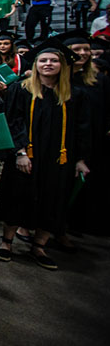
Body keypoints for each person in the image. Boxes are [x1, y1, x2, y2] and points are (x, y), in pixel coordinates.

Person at [0, 39, 90, 270]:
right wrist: (19, 152)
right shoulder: (21, 89)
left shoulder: (75, 95)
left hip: (59, 159)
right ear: (36, 64)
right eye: (43, 60)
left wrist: (80, 159)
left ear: (63, 65)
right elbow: (13, 121)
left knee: (52, 200)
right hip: (25, 156)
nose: (48, 64)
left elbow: (82, 129)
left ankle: (39, 246)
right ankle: (7, 242)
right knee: (17, 196)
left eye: (54, 60)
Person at [58, 31, 110, 237]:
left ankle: (84, 226)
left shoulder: (99, 81)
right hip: (63, 141)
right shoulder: (57, 80)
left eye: (86, 49)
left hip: (94, 142)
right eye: (76, 50)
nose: (83, 53)